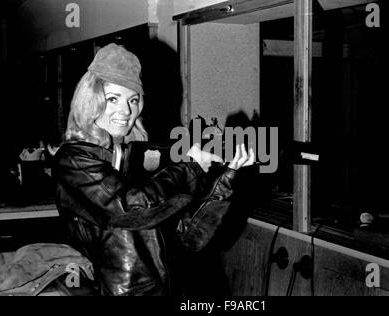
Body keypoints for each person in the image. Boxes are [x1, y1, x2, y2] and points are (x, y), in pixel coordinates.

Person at [52, 43, 255, 296]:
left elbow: (188, 239)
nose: (125, 110)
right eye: (113, 98)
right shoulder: (74, 160)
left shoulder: (135, 157)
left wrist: (227, 176)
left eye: (133, 100)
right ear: (91, 100)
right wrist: (191, 168)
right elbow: (128, 210)